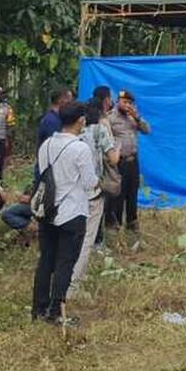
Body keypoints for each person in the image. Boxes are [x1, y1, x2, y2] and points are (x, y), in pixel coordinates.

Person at [32, 101, 96, 325]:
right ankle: (56, 312)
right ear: (81, 120)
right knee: (65, 263)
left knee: (46, 261)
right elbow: (90, 183)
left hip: (47, 210)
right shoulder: (81, 148)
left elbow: (43, 174)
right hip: (72, 212)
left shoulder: (47, 145)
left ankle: (38, 309)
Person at [70, 97, 118, 286]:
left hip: (70, 192)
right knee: (87, 238)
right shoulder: (99, 130)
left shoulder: (72, 133)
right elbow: (113, 159)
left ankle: (68, 275)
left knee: (72, 236)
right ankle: (74, 282)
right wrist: (118, 148)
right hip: (91, 191)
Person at [106, 90, 150, 234]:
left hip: (133, 161)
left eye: (130, 103)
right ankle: (115, 224)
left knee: (132, 192)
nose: (127, 105)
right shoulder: (110, 118)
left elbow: (147, 130)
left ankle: (132, 223)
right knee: (118, 194)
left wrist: (137, 118)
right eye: (124, 102)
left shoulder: (133, 118)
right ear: (118, 101)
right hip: (120, 162)